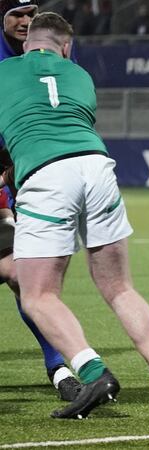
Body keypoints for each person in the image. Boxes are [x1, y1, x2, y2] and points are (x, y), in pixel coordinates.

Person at [0, 12, 149, 418]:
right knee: (119, 287)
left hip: (47, 175)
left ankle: (92, 371)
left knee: (38, 295)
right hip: (97, 166)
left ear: (28, 41)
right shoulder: (80, 76)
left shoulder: (4, 71)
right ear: (66, 47)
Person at [0, 0, 81, 401]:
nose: (24, 22)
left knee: (23, 275)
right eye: (16, 14)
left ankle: (58, 365)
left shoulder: (53, 53)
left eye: (30, 14)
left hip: (22, 184)